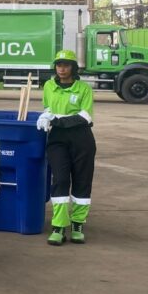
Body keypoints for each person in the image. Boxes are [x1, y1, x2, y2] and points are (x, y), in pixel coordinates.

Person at [37, 50, 96, 246]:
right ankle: (59, 226)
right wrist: (45, 117)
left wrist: (56, 119)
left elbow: (85, 117)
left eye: (66, 65)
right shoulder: (49, 86)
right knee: (60, 180)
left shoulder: (84, 89)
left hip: (82, 139)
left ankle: (78, 224)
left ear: (73, 67)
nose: (61, 69)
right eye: (59, 65)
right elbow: (48, 109)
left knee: (82, 181)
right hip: (57, 140)